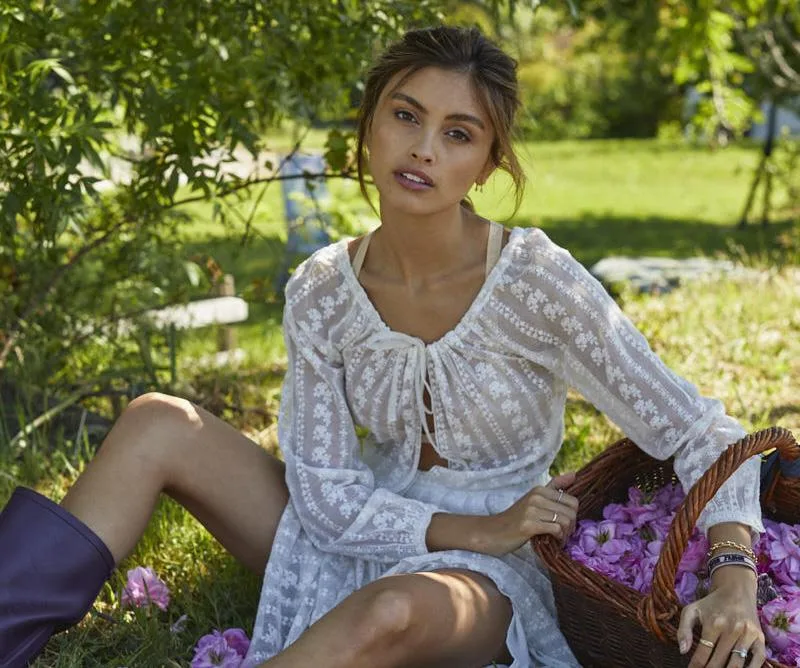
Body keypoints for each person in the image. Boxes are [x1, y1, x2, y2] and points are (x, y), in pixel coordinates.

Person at [0, 25, 767, 668]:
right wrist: (467, 525)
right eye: (405, 116)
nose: (423, 149)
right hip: (358, 525)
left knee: (390, 610)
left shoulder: (537, 282)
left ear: (488, 163)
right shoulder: (324, 289)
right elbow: (328, 491)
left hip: (486, 572)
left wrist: (733, 577)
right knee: (156, 421)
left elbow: (699, 430)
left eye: (457, 133)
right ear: (369, 124)